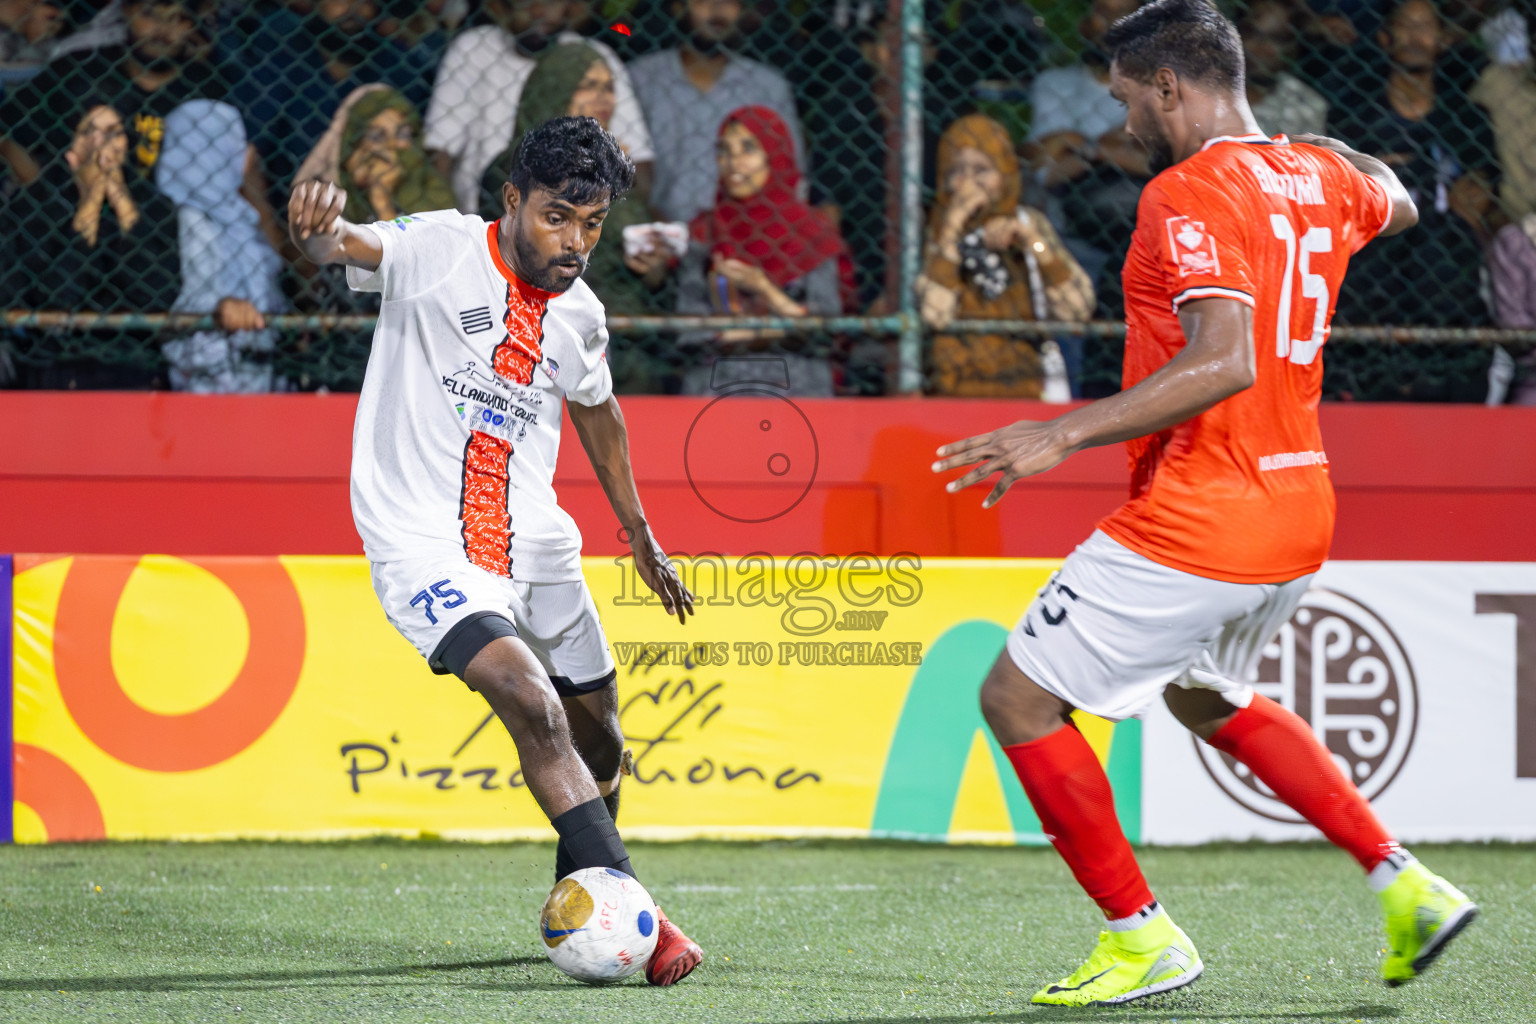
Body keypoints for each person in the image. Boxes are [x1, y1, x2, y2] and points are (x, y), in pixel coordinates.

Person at [932, 0, 1476, 1007]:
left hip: (1205, 510)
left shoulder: (1184, 192)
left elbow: (1223, 358)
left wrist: (1061, 429)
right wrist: (1319, 145)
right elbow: (1398, 194)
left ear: (1170, 85)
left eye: (1127, 96)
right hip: (1299, 508)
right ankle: (1409, 883)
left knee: (1014, 697)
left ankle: (1140, 938)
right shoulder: (1316, 175)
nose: (1122, 118)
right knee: (1201, 691)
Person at [284, 114, 704, 985]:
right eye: (557, 216)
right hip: (423, 543)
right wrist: (321, 231)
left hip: (539, 541)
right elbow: (349, 248)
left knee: (601, 741)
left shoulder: (580, 312)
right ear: (513, 199)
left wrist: (638, 531)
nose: (575, 242)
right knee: (530, 698)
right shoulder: (440, 246)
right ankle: (641, 915)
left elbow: (598, 409)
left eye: (592, 225)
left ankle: (582, 907)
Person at [479, 44, 673, 392]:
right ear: (557, 89)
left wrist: (653, 265)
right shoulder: (512, 168)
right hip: (542, 322)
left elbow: (648, 272)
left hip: (627, 331)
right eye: (588, 85)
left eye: (609, 87)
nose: (603, 97)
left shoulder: (612, 171)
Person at [1326, 0, 1498, 327]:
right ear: (1385, 37)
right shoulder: (1353, 119)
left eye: (1425, 26)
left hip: (1446, 260)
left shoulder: (1468, 119)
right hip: (1374, 257)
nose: (1415, 37)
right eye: (1406, 25)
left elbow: (1480, 196)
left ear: (1444, 38)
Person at [675, 105, 855, 396]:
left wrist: (763, 289)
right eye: (724, 151)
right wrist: (782, 328)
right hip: (718, 382)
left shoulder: (814, 233)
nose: (734, 162)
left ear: (775, 155)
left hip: (798, 380)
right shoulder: (705, 231)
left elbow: (828, 330)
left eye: (748, 149)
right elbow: (691, 331)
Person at [2, 101, 180, 387]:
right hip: (53, 362)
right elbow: (56, 296)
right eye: (89, 132)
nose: (102, 143)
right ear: (71, 152)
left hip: (134, 363)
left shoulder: (156, 207)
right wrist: (93, 199)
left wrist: (120, 198)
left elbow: (155, 293)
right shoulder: (34, 207)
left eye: (113, 133)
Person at [917, 114, 1094, 399]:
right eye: (957, 170)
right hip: (951, 389)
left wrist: (1033, 242)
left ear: (1004, 173)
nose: (969, 182)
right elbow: (935, 314)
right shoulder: (934, 229)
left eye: (982, 170)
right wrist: (952, 228)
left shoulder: (1028, 222)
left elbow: (1076, 309)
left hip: (1024, 386)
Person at [424, 0, 654, 213]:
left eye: (552, 1)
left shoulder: (592, 57)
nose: (539, 10)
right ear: (501, 5)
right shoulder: (474, 48)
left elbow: (639, 163)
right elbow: (439, 151)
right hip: (479, 216)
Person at [627, 0, 804, 225]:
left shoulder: (768, 87)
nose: (717, 8)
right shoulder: (641, 79)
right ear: (679, 7)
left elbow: (789, 172)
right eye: (703, 1)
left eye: (730, 1)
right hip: (657, 230)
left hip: (747, 232)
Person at [156, 98, 284, 392]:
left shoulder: (242, 217)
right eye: (233, 141)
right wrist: (217, 310)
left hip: (259, 377)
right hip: (200, 383)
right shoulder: (174, 221)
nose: (245, 154)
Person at [1241, 0, 1329, 137]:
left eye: (1278, 39)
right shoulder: (1211, 86)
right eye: (1254, 34)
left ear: (1294, 46)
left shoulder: (1307, 104)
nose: (1262, 48)